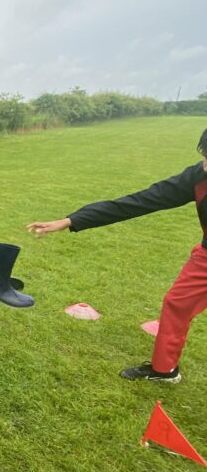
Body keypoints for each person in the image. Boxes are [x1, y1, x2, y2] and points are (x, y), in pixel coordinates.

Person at [27, 127, 207, 383]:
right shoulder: (198, 176)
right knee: (177, 303)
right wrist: (71, 220)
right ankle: (164, 370)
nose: (206, 165)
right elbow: (138, 201)